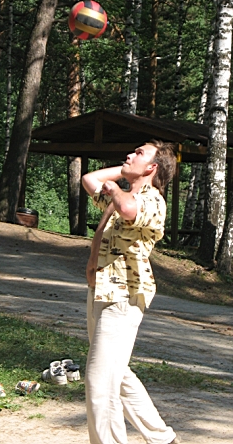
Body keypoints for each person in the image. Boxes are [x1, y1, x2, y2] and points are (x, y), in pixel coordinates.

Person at [82, 140, 180, 444]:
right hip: (101, 291)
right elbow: (89, 179)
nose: (129, 154)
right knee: (116, 373)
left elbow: (127, 209)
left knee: (100, 381)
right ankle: (162, 438)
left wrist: (117, 186)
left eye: (138, 153)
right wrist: (124, 173)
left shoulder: (153, 201)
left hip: (123, 296)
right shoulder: (121, 195)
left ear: (152, 168)